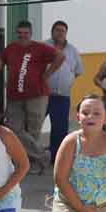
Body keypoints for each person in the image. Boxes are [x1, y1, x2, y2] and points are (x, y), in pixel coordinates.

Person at [0, 20, 63, 172]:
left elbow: (60, 57)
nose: (22, 37)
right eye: (19, 34)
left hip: (37, 95)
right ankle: (41, 155)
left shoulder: (39, 48)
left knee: (33, 130)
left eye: (25, 33)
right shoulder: (10, 49)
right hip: (14, 95)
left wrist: (47, 74)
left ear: (30, 34)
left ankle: (30, 163)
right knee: (14, 129)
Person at [45, 20, 84, 164]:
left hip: (62, 96)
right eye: (57, 30)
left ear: (66, 33)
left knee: (60, 128)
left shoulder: (72, 50)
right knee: (33, 127)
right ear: (52, 32)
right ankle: (31, 157)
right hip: (43, 94)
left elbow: (78, 71)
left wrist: (67, 79)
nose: (60, 33)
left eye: (62, 31)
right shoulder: (44, 46)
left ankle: (57, 158)